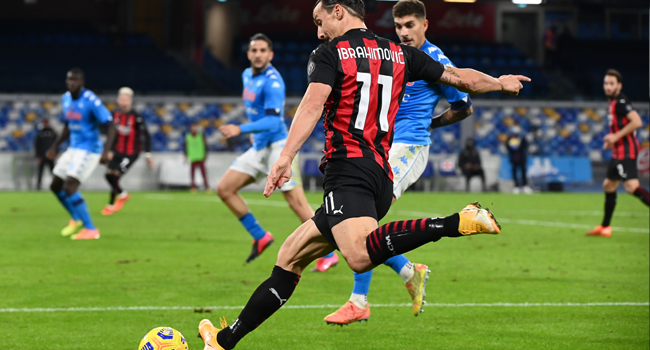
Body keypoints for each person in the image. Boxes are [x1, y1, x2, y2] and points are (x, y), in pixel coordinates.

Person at [198, 1, 528, 349]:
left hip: (348, 173)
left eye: (319, 20)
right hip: (378, 175)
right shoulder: (399, 54)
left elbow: (311, 105)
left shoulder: (329, 53)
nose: (318, 30)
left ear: (338, 11)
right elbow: (461, 79)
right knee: (289, 258)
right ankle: (223, 341)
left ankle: (456, 222)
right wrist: (500, 82)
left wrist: (284, 156)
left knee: (357, 256)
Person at [322, 0, 475, 326]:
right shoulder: (392, 53)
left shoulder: (435, 59)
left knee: (365, 219)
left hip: (409, 148)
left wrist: (430, 124)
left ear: (424, 25)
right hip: (379, 147)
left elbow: (464, 105)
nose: (404, 32)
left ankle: (358, 301)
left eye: (410, 26)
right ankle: (409, 271)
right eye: (399, 26)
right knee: (361, 224)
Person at [217, 33, 322, 264]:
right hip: (260, 147)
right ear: (248, 54)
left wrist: (240, 129)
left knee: (297, 203)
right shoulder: (247, 75)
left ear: (270, 54)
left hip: (278, 148)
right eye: (254, 50)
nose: (258, 55)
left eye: (263, 50)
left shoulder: (273, 82)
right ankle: (260, 236)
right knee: (225, 189)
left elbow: (274, 121)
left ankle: (328, 254)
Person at [46, 68, 116, 240]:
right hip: (73, 148)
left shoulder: (91, 100)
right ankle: (76, 218)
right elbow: (67, 125)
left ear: (82, 82)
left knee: (70, 186)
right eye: (69, 79)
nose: (71, 82)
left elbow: (110, 125)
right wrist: (55, 146)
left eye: (75, 80)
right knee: (55, 185)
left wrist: (106, 151)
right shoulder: (66, 99)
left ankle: (91, 229)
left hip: (90, 149)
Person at [586, 69, 649, 237]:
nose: (608, 86)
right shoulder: (613, 103)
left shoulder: (621, 101)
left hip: (626, 151)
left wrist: (616, 137)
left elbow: (637, 122)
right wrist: (612, 141)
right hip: (617, 151)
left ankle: (605, 227)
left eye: (611, 83)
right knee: (608, 185)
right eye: (606, 83)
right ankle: (605, 227)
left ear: (619, 86)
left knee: (631, 187)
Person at [102, 87, 154, 216]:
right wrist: (108, 150)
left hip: (131, 153)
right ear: (118, 100)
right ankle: (123, 195)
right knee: (108, 175)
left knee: (115, 176)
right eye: (121, 99)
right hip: (117, 151)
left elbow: (145, 134)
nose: (123, 102)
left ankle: (110, 205)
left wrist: (147, 154)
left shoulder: (136, 116)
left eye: (126, 99)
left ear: (130, 101)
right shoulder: (115, 114)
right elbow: (111, 133)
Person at [184, 122, 210, 193]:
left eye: (195, 127)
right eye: (192, 127)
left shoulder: (201, 135)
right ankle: (193, 187)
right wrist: (185, 155)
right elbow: (185, 146)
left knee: (203, 173)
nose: (194, 128)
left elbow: (205, 145)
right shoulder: (188, 136)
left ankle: (207, 186)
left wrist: (205, 154)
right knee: (192, 173)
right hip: (193, 157)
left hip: (200, 156)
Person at [506, 126, 532, 194]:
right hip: (514, 158)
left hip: (521, 158)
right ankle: (516, 186)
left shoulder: (522, 138)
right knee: (514, 172)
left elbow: (525, 146)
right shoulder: (510, 138)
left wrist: (519, 146)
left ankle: (525, 186)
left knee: (523, 172)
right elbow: (508, 147)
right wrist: (513, 147)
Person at [34, 119, 57, 190]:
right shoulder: (40, 134)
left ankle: (55, 186)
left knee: (53, 172)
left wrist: (55, 153)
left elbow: (57, 144)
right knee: (40, 172)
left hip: (51, 156)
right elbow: (37, 146)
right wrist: (38, 156)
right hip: (42, 156)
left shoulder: (53, 133)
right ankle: (38, 186)